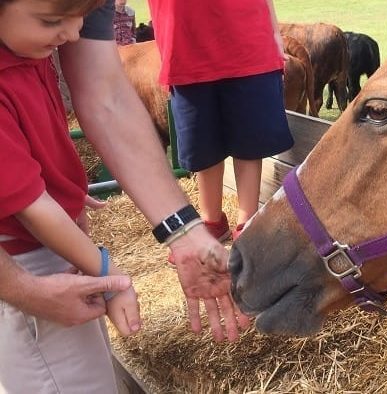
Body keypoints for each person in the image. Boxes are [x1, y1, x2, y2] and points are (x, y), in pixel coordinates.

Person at [0, 0, 248, 391]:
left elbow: (102, 97)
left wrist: (185, 231)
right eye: (52, 21)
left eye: (82, 16)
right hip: (24, 257)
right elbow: (34, 207)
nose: (74, 34)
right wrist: (107, 272)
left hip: (52, 249)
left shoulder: (26, 46)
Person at [147, 0, 294, 244]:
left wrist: (274, 33)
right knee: (201, 143)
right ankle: (211, 221)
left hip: (245, 34)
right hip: (184, 41)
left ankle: (247, 223)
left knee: (250, 140)